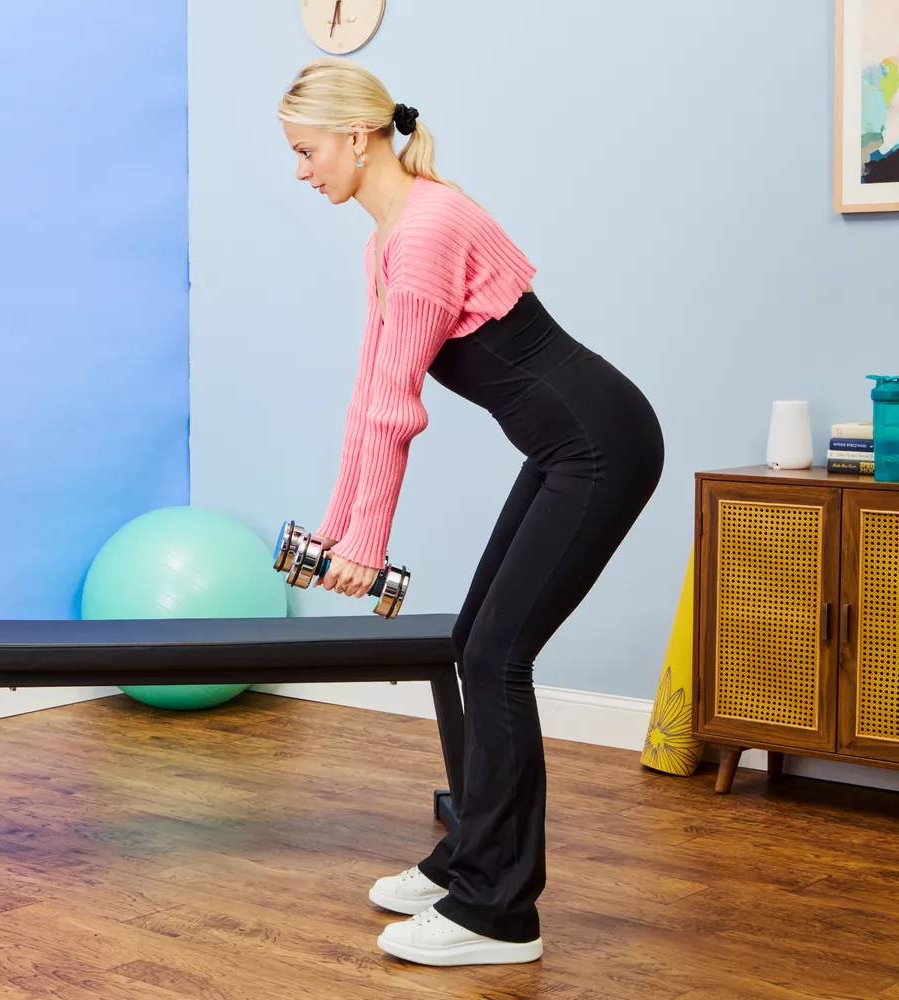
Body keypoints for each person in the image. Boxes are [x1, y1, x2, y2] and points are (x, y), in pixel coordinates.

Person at [277, 57, 664, 967]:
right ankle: (470, 860)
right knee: (474, 646)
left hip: (601, 447)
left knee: (497, 656)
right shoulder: (391, 236)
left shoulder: (423, 233)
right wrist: (340, 535)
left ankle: (500, 914)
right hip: (567, 448)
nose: (301, 171)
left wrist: (364, 549)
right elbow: (368, 396)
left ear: (358, 137)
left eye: (306, 151)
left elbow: (395, 411)